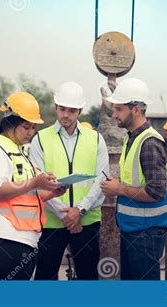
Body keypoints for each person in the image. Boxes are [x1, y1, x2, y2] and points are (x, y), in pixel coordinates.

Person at [0, 91, 66, 280]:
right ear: (9, 122)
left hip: (19, 241)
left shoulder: (21, 154)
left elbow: (26, 197)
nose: (30, 133)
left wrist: (52, 192)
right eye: (26, 127)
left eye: (33, 127)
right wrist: (35, 181)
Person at [100, 78, 167, 280]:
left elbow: (156, 192)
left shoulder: (150, 142)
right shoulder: (131, 137)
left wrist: (119, 189)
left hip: (147, 232)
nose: (114, 114)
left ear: (135, 109)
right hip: (134, 228)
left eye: (118, 109)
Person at [30, 82, 109, 280]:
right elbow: (37, 181)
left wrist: (80, 211)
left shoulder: (96, 139)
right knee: (45, 278)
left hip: (87, 220)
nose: (66, 114)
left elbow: (102, 179)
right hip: (50, 222)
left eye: (72, 110)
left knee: (88, 278)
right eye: (62, 109)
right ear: (56, 107)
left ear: (80, 110)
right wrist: (66, 215)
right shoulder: (40, 139)